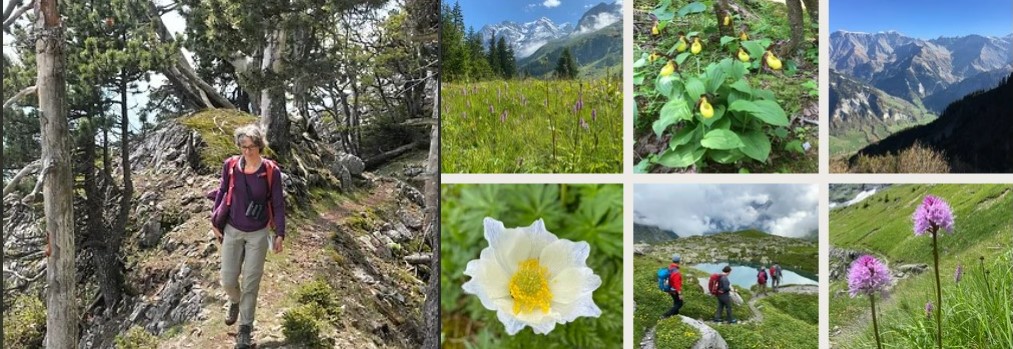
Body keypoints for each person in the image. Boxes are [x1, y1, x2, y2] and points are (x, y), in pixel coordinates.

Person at [211, 124, 286, 349]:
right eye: (243, 147)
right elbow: (222, 191)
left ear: (260, 146)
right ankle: (234, 300)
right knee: (228, 279)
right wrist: (214, 221)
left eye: (252, 147)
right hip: (232, 229)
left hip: (258, 233)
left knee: (251, 283)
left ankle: (245, 329)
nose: (247, 151)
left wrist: (280, 233)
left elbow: (278, 203)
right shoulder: (230, 165)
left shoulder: (271, 171)